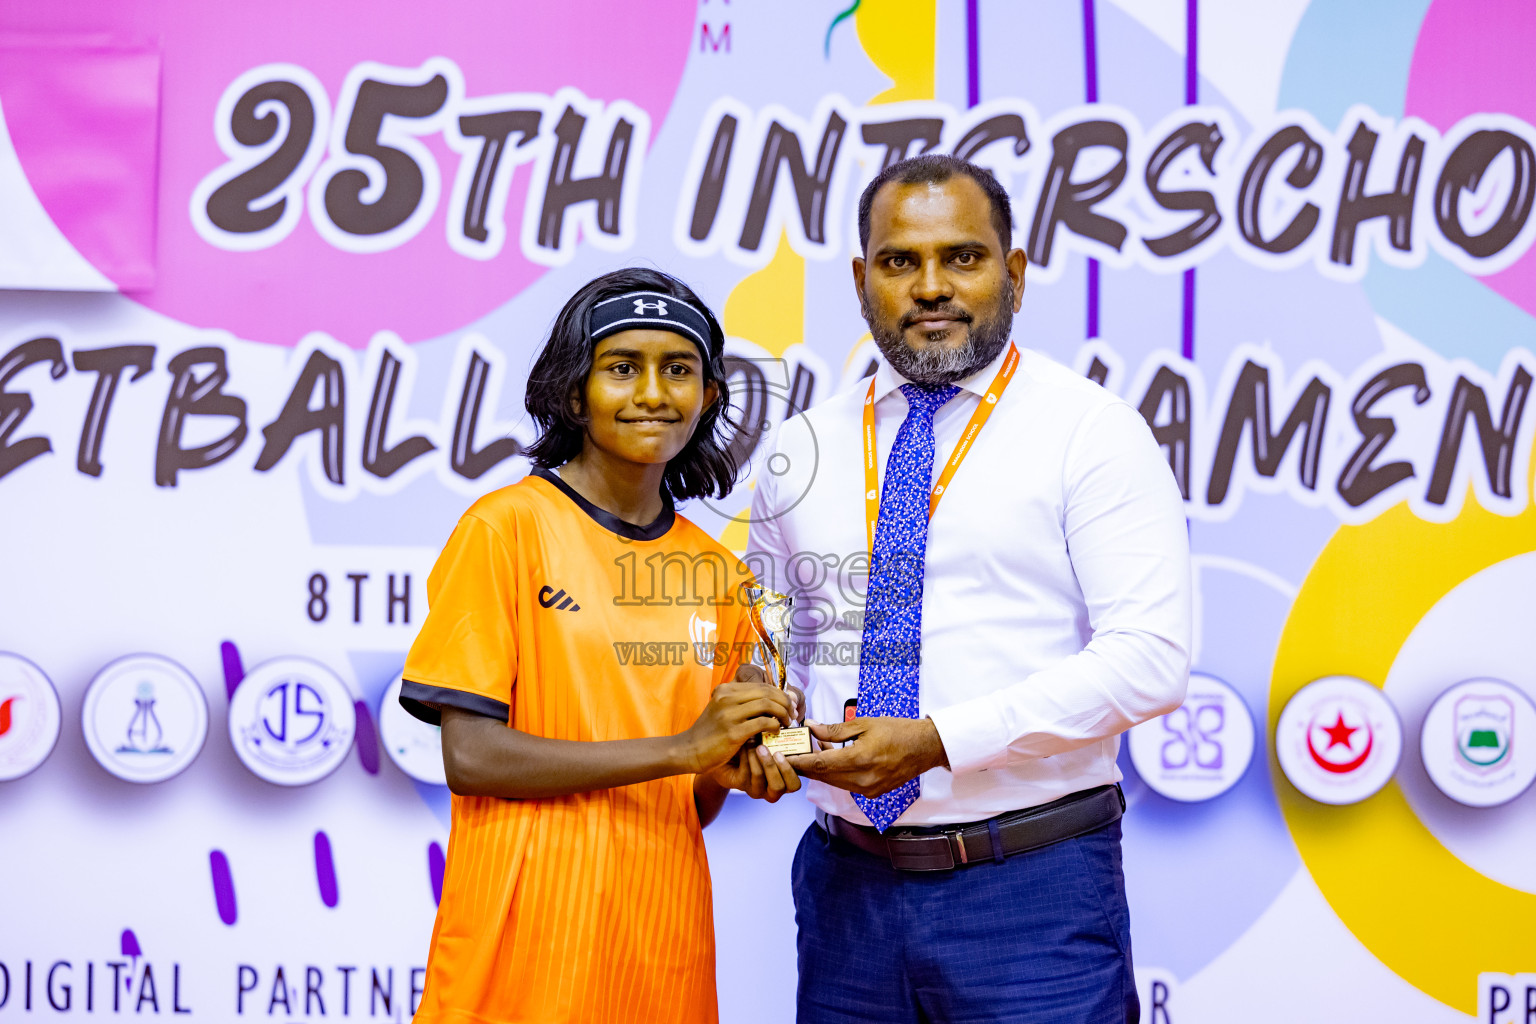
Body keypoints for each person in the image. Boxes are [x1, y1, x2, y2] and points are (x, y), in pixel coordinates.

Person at [746, 155, 1192, 1023]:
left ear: (1014, 275)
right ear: (861, 279)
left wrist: (937, 740)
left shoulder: (1091, 433)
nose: (931, 287)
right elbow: (770, 645)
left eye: (963, 257)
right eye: (900, 261)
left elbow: (1149, 661)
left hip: (1032, 889)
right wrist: (757, 724)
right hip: (846, 893)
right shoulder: (800, 446)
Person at [399, 267, 802, 1024]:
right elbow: (473, 758)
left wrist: (736, 762)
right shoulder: (506, 529)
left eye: (677, 370)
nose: (652, 392)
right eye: (622, 368)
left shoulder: (717, 572)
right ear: (574, 391)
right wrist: (685, 748)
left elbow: (692, 799)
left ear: (708, 397)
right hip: (521, 948)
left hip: (660, 944)